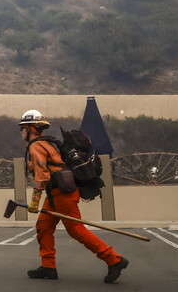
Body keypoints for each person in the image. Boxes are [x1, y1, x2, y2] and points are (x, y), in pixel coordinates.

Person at [19, 109, 129, 283]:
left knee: (76, 229)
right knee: (43, 227)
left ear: (31, 128)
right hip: (56, 193)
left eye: (23, 128)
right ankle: (48, 266)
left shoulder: (36, 146)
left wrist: (34, 200)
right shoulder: (47, 143)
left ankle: (113, 259)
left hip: (62, 193)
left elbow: (42, 175)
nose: (21, 132)